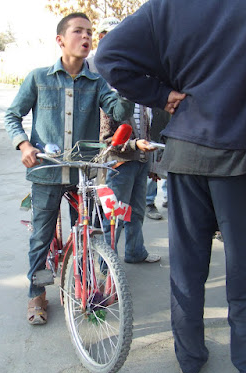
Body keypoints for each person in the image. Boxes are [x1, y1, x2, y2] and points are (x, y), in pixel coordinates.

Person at [95, 0, 246, 373]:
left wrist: (161, 93)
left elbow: (107, 57)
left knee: (187, 267)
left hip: (184, 153)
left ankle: (190, 360)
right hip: (243, 157)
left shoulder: (166, 6)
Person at [5, 12, 134, 325]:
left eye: (90, 32)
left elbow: (117, 111)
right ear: (61, 40)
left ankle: (86, 287)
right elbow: (12, 116)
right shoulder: (38, 78)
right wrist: (24, 146)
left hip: (82, 174)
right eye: (78, 31)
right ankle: (36, 294)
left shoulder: (97, 82)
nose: (86, 37)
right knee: (41, 237)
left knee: (88, 233)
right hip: (46, 173)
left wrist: (128, 85)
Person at [89, 17, 161, 264]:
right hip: (118, 165)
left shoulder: (138, 84)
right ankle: (106, 262)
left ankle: (135, 252)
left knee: (136, 212)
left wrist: (149, 162)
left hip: (139, 161)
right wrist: (133, 146)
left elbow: (146, 125)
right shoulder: (106, 88)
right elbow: (107, 139)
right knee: (114, 214)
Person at [146, 108, 170, 220]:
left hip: (166, 125)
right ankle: (149, 202)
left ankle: (169, 197)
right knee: (152, 167)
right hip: (152, 131)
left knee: (169, 164)